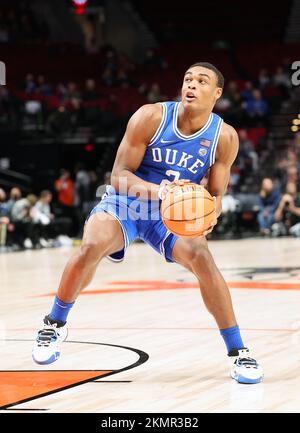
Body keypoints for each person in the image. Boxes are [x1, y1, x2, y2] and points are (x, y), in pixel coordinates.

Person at [32, 62, 263, 384]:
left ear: (217, 93)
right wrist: (161, 191)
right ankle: (54, 324)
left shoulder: (224, 137)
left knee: (203, 258)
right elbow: (119, 176)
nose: (191, 85)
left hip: (172, 214)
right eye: (188, 79)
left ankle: (239, 352)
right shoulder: (151, 117)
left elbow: (216, 194)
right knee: (91, 245)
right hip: (129, 201)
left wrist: (210, 214)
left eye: (201, 81)